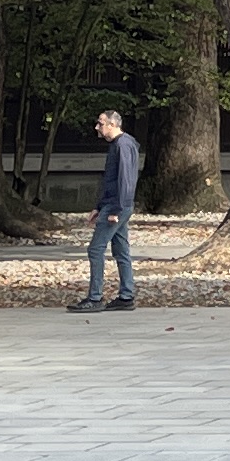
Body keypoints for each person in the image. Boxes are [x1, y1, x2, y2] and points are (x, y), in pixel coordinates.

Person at [75, 108, 140, 312]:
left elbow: (125, 181)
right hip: (115, 204)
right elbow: (111, 180)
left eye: (101, 123)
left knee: (95, 249)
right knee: (121, 250)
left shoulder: (123, 145)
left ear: (113, 124)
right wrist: (98, 206)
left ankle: (95, 297)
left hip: (117, 206)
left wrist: (116, 210)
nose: (97, 127)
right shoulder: (121, 144)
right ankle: (126, 296)